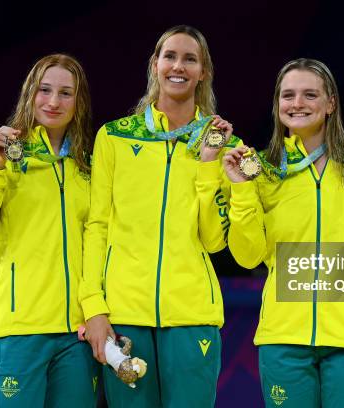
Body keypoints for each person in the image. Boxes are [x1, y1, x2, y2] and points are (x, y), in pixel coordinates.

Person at [79, 25, 240, 408]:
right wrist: (95, 308)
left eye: (190, 59)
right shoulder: (115, 137)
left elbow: (215, 240)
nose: (178, 66)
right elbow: (96, 226)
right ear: (155, 64)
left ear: (204, 72)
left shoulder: (222, 143)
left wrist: (207, 165)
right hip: (123, 313)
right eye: (170, 56)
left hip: (192, 314)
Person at [224, 58, 344, 408]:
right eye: (288, 95)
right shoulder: (260, 170)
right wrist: (242, 189)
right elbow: (248, 255)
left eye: (310, 94)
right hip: (284, 338)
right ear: (277, 103)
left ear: (330, 103)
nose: (297, 104)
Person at [0, 54, 97, 407]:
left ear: (78, 103)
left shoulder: (87, 167)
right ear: (29, 93)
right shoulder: (0, 155)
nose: (53, 102)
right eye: (45, 90)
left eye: (66, 93)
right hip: (19, 330)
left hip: (76, 338)